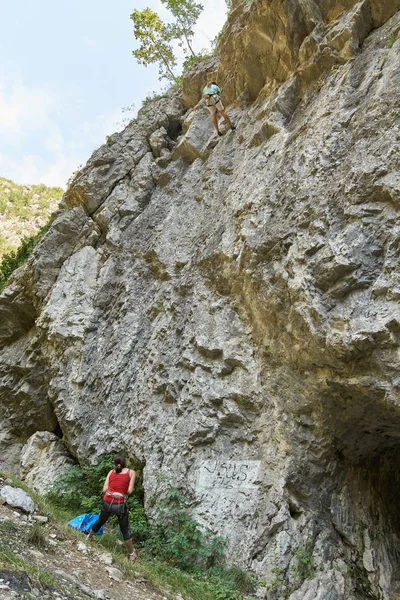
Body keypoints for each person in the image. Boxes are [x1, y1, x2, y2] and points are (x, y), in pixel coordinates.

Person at [86, 454, 137, 560]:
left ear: (115, 463)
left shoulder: (111, 472)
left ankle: (89, 537)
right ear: (125, 462)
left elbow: (104, 490)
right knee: (125, 528)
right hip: (120, 504)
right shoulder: (131, 472)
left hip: (107, 502)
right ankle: (131, 554)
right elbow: (129, 491)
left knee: (101, 520)